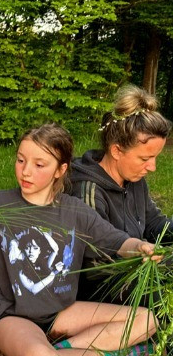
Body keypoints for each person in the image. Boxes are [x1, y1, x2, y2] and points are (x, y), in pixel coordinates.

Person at [0, 123, 159, 356]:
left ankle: (65, 350)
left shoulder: (74, 210)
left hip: (61, 312)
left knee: (147, 320)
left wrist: (140, 247)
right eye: (20, 160)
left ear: (60, 170)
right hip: (12, 316)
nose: (26, 172)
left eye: (39, 165)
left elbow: (117, 242)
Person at [70, 84, 172, 301]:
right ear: (116, 150)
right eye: (145, 159)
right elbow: (95, 268)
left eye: (155, 158)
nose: (152, 167)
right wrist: (163, 266)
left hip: (137, 270)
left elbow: (155, 225)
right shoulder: (87, 191)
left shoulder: (134, 178)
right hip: (100, 292)